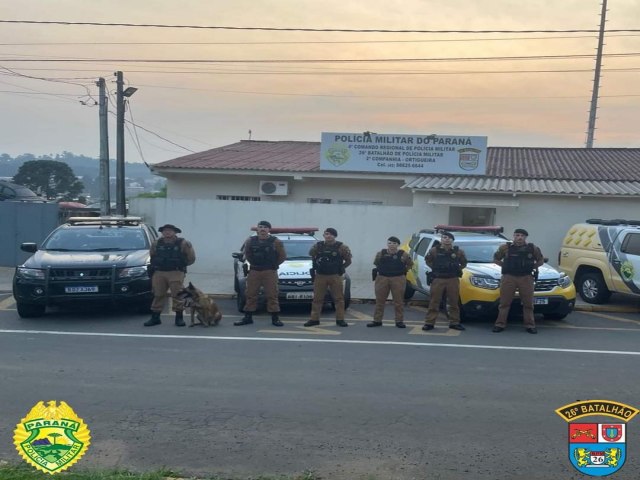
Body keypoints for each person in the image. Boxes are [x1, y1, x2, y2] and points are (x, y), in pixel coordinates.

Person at [234, 220, 287, 327]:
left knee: (272, 295)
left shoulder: (275, 241)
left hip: (269, 271)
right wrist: (255, 264)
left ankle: (275, 318)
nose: (263, 229)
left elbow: (282, 256)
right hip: (254, 271)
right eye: (260, 227)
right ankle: (248, 317)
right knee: (250, 294)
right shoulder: (250, 240)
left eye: (265, 227)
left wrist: (273, 265)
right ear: (257, 229)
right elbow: (247, 254)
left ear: (269, 229)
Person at [492, 228, 544, 334]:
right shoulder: (505, 247)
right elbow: (495, 259)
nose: (519, 237)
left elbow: (541, 260)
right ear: (513, 236)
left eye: (522, 236)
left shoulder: (532, 248)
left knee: (528, 303)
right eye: (517, 235)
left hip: (526, 277)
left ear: (525, 237)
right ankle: (500, 324)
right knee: (504, 303)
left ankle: (530, 325)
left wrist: (531, 267)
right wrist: (506, 266)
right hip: (509, 277)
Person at [144, 224, 196, 327]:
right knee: (158, 294)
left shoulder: (183, 243)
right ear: (162, 232)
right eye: (165, 230)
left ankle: (179, 318)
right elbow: (152, 255)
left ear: (175, 232)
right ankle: (155, 317)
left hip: (175, 272)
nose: (167, 232)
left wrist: (180, 266)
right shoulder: (156, 243)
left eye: (170, 230)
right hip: (159, 272)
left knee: (177, 295)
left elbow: (191, 258)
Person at [304, 227, 352, 327]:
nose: (328, 236)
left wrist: (341, 268)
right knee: (317, 299)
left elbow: (348, 260)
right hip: (321, 275)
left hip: (335, 275)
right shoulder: (318, 245)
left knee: (339, 299)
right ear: (324, 236)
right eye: (326, 234)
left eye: (331, 234)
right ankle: (314, 319)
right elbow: (311, 254)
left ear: (335, 236)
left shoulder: (341, 247)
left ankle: (340, 319)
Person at [422, 231, 467, 331]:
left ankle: (454, 322)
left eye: (449, 238)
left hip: (452, 279)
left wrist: (456, 269)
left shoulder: (458, 251)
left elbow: (464, 263)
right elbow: (428, 260)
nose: (447, 239)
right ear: (441, 239)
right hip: (438, 279)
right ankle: (429, 323)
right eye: (444, 237)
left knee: (454, 302)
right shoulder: (434, 250)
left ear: (452, 240)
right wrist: (436, 268)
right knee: (434, 301)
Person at [368, 236, 414, 328]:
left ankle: (399, 321)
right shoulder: (381, 253)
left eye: (394, 243)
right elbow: (376, 263)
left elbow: (410, 264)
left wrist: (402, 271)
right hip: (382, 278)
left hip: (398, 278)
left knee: (398, 301)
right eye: (390, 243)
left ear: (398, 245)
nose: (392, 245)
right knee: (380, 301)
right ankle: (377, 320)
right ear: (387, 244)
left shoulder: (403, 254)